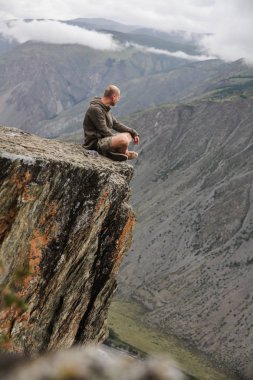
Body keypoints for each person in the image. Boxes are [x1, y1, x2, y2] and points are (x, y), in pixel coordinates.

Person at [83, 85, 140, 161]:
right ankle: (122, 153)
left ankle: (118, 152)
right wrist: (116, 139)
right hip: (96, 144)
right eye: (118, 97)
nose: (118, 100)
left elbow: (116, 124)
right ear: (113, 97)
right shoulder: (95, 109)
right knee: (123, 139)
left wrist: (133, 133)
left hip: (105, 139)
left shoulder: (105, 108)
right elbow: (104, 131)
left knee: (128, 135)